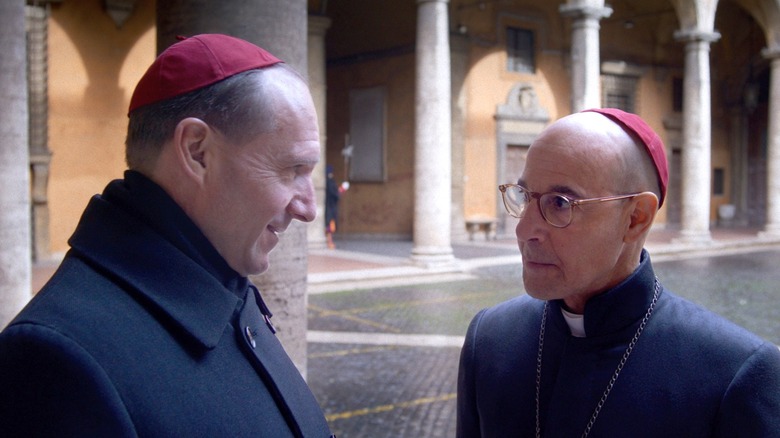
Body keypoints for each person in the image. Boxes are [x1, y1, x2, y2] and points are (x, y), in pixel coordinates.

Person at [0, 34, 334, 437]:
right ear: (197, 151)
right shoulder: (54, 361)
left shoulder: (220, 275)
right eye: (291, 170)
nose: (308, 208)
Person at [457, 108, 780, 437]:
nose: (525, 229)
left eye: (560, 203)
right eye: (524, 197)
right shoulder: (488, 338)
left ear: (636, 217)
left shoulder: (736, 374)